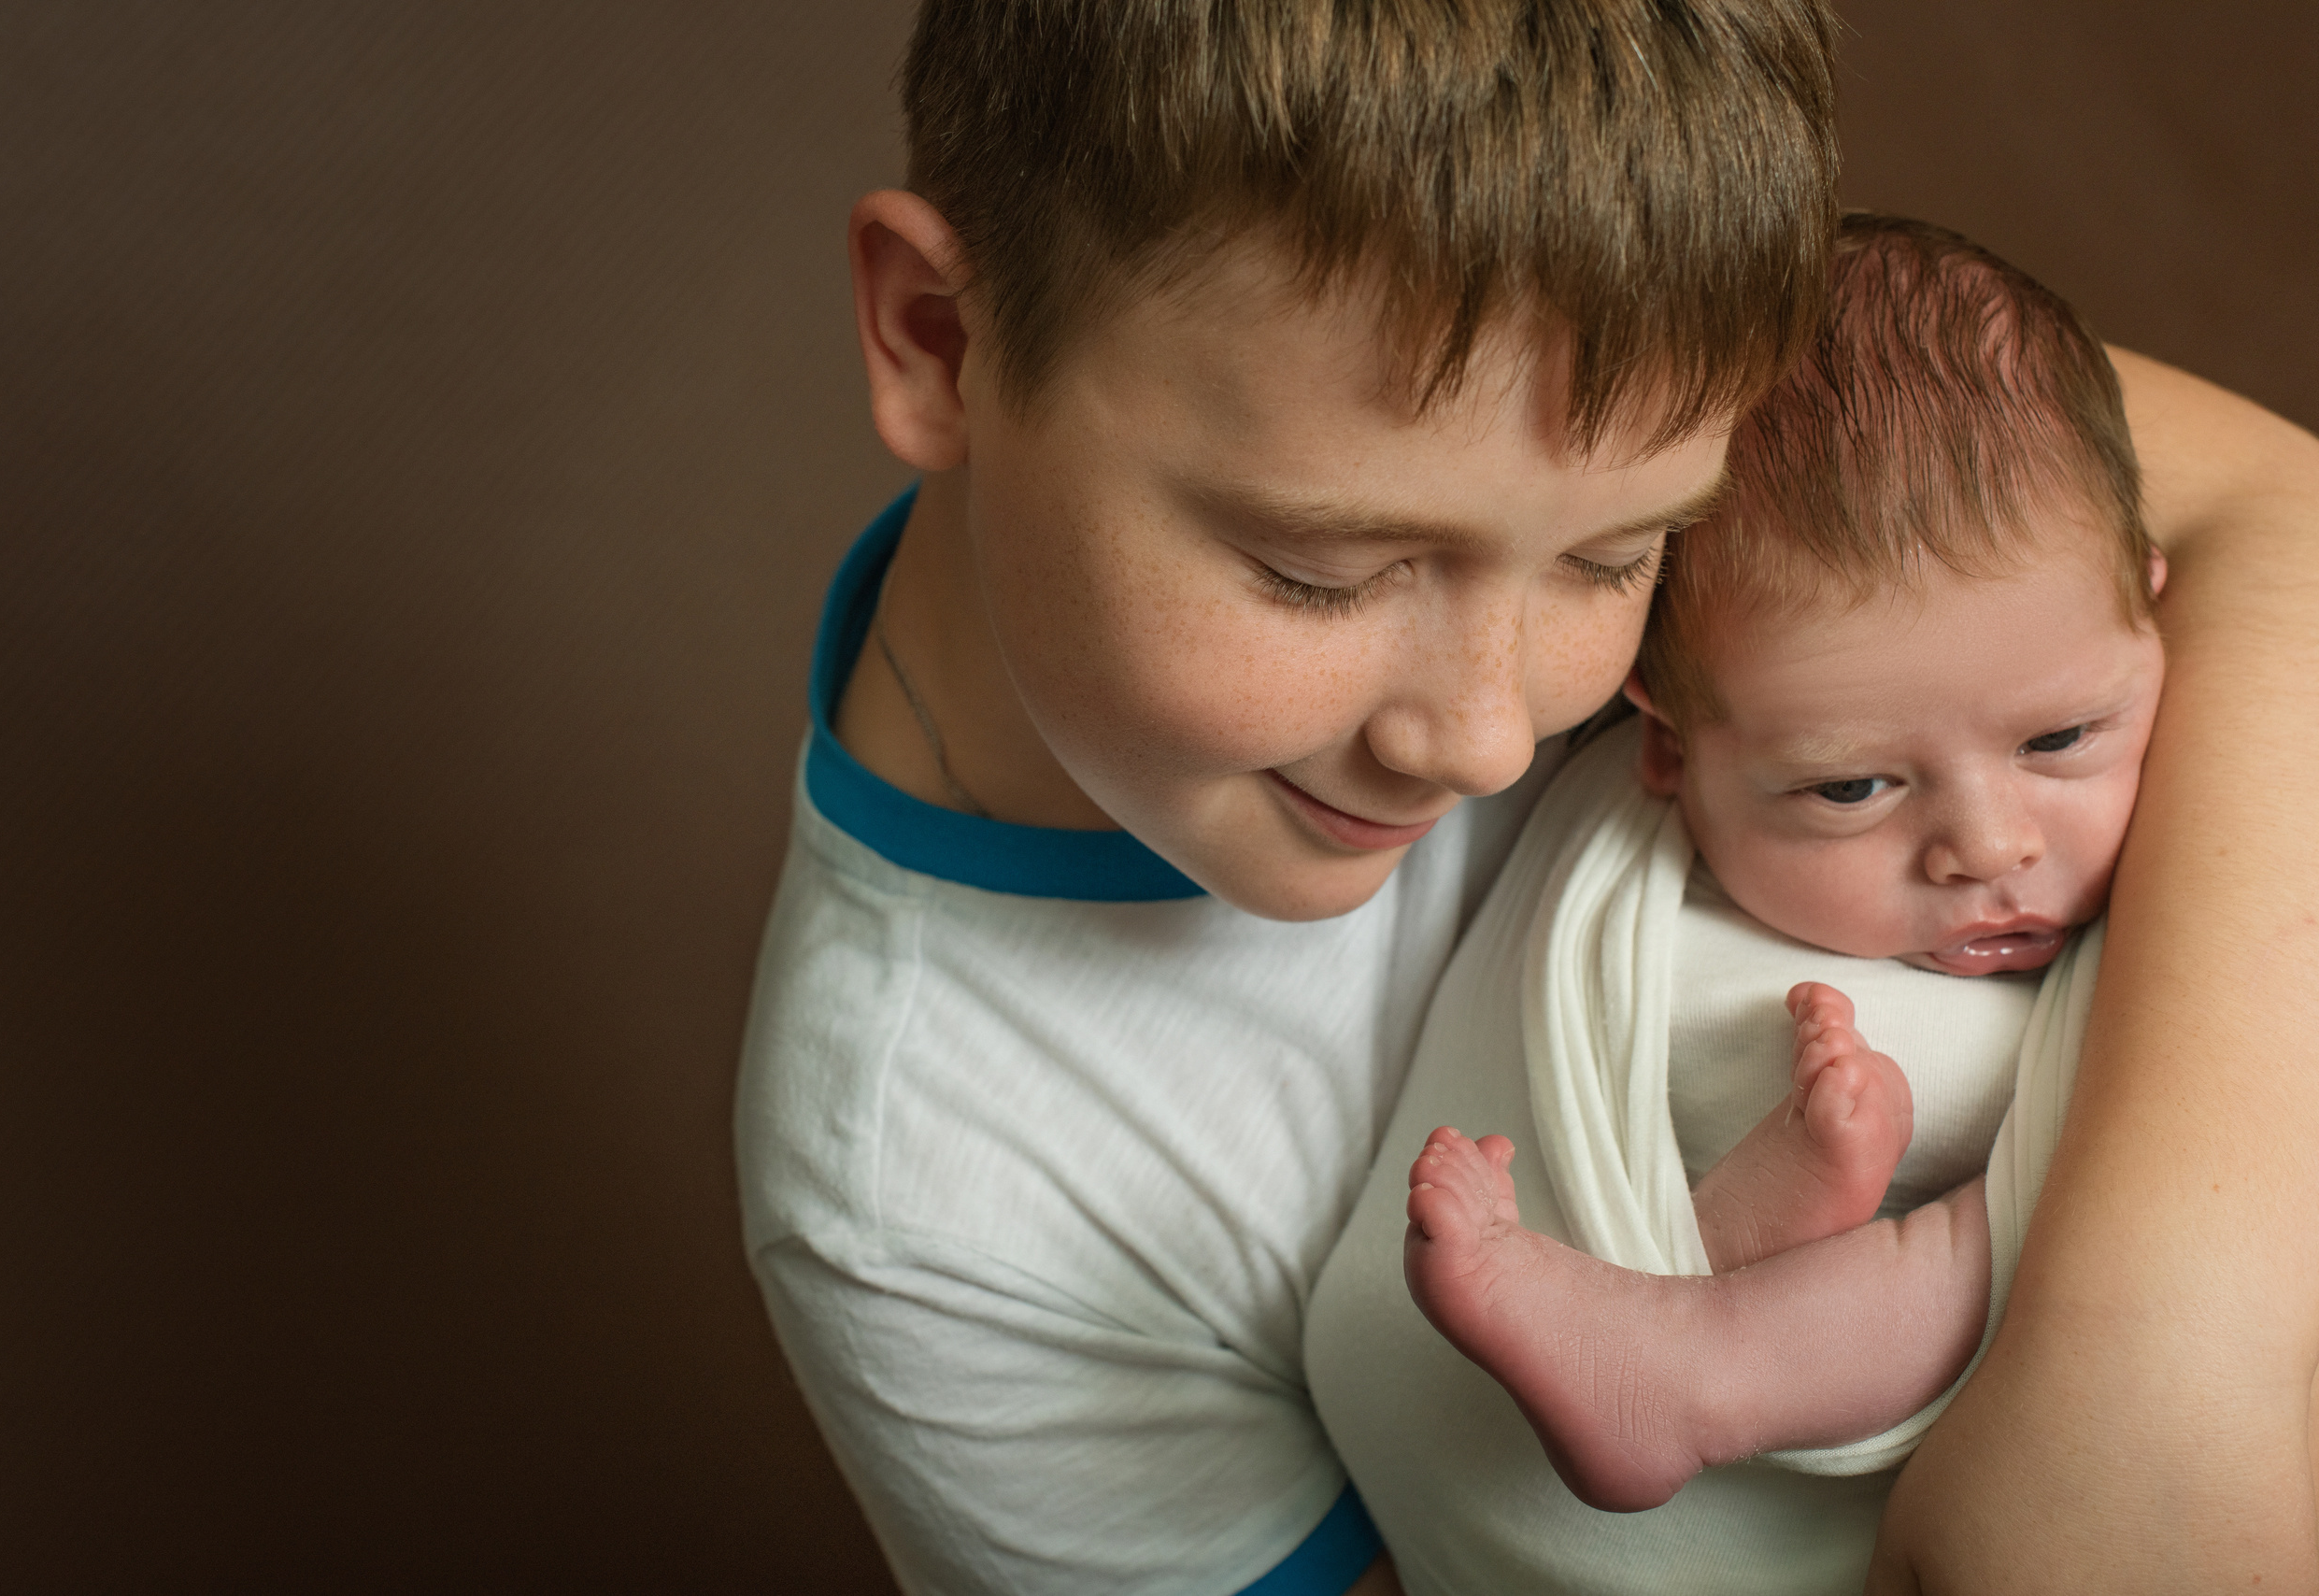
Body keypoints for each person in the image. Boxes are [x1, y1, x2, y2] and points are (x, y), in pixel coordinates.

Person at [735, 3, 2319, 1591]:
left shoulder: (1592, 316)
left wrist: (2160, 1355)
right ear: (940, 336)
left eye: (1616, 561)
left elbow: (2277, 516)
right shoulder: (928, 1212)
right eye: (1320, 574)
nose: (1490, 738)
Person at [1376, 219, 2168, 1560]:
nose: (1987, 846)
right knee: (2044, 1210)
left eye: (2059, 740)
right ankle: (1694, 1360)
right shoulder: (1683, 942)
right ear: (1669, 749)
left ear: (2154, 611)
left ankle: (1699, 1345)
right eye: (1852, 788)